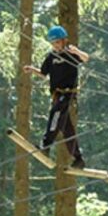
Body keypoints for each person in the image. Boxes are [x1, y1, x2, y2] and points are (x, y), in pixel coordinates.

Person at [24, 25, 89, 168]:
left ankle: (45, 145)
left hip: (67, 93)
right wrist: (32, 70)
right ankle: (78, 158)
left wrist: (76, 51)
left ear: (64, 41)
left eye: (58, 42)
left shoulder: (71, 54)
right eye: (53, 43)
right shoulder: (51, 57)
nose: (56, 45)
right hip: (57, 94)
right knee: (66, 129)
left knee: (55, 114)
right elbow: (43, 73)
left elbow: (85, 58)